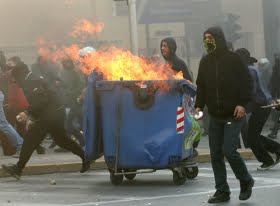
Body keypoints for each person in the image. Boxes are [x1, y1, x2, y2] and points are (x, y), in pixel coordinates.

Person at [1, 61, 91, 180]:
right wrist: (32, 117)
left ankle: (18, 169)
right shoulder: (31, 79)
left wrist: (27, 113)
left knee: (29, 140)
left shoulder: (31, 81)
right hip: (54, 113)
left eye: (14, 80)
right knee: (61, 140)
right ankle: (85, 157)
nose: (15, 83)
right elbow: (40, 102)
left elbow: (41, 101)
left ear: (19, 76)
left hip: (51, 114)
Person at [195, 27, 254, 203]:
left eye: (210, 37)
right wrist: (199, 105)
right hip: (214, 115)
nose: (207, 41)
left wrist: (242, 104)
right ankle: (222, 190)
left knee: (229, 150)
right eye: (205, 38)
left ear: (219, 39)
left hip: (233, 115)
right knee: (215, 154)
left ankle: (245, 180)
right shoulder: (205, 62)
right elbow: (202, 86)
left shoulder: (233, 59)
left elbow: (247, 82)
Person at [236, 48, 280, 170]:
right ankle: (277, 149)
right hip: (262, 104)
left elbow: (252, 91)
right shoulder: (251, 68)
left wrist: (245, 107)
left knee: (251, 137)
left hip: (262, 105)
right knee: (252, 136)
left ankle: (267, 160)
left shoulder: (248, 71)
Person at [268, 53, 280, 139]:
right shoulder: (276, 68)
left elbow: (274, 82)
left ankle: (275, 132)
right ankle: (275, 131)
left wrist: (272, 94)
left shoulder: (276, 68)